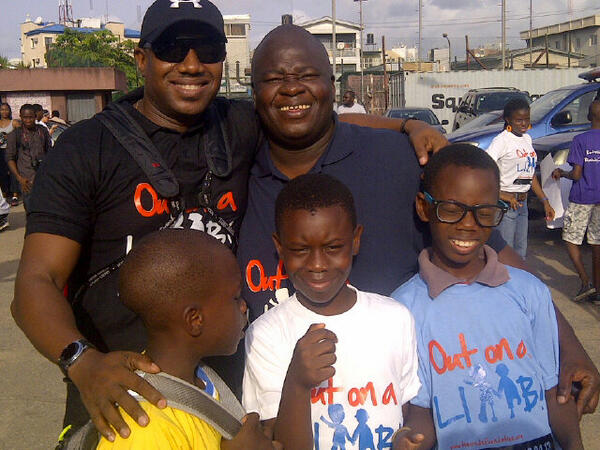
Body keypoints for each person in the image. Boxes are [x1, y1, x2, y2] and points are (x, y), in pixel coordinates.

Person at [10, 0, 447, 444]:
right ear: (142, 59)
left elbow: (312, 115)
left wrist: (408, 126)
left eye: (206, 48)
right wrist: (81, 362)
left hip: (218, 400)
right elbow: (35, 281)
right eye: (172, 48)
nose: (192, 64)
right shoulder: (85, 148)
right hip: (121, 397)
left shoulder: (236, 124)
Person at [237, 23, 600, 426]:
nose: (291, 89)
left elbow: (500, 256)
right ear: (254, 93)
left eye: (307, 76)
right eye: (273, 79)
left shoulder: (397, 161)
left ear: (333, 86)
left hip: (408, 420)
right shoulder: (234, 167)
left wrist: (569, 348)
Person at [391, 144, 583, 450]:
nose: (469, 224)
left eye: (485, 212)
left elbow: (553, 393)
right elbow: (421, 410)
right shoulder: (404, 309)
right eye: (452, 209)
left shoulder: (528, 291)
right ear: (424, 207)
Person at [243, 173, 420, 450]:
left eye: (333, 247)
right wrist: (298, 382)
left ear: (356, 239)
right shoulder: (266, 334)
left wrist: (405, 438)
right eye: (300, 249)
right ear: (279, 247)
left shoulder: (395, 318)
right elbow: (277, 441)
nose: (317, 264)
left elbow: (407, 407)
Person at [95, 228, 279, 449]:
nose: (243, 306)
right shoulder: (144, 430)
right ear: (195, 320)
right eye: (235, 297)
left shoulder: (202, 379)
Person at [486, 98, 555, 258]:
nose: (524, 124)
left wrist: (545, 201)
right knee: (505, 252)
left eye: (527, 119)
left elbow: (530, 175)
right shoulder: (501, 141)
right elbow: (483, 170)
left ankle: (519, 282)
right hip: (506, 204)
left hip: (522, 203)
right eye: (519, 120)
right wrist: (503, 195)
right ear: (508, 119)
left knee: (521, 251)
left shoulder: (527, 139)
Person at [552, 100, 600, 304]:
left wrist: (562, 173)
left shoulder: (580, 139)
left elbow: (578, 174)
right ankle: (598, 291)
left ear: (589, 117)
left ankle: (585, 281)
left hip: (582, 198)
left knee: (571, 239)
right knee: (597, 242)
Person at [5, 103, 52, 211]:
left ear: (35, 116)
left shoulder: (42, 131)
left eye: (31, 117)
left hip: (43, 177)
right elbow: (10, 158)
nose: (28, 120)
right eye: (25, 117)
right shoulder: (15, 134)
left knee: (45, 209)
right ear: (21, 117)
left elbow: (49, 152)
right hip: (26, 180)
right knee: (31, 210)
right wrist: (19, 178)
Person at [0, 102, 20, 202]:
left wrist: (11, 137)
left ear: (10, 111)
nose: (4, 111)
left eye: (6, 109)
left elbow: (21, 135)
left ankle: (15, 194)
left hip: (12, 151)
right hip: (1, 151)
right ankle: (4, 193)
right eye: (2, 109)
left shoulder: (14, 123)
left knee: (13, 172)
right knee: (2, 173)